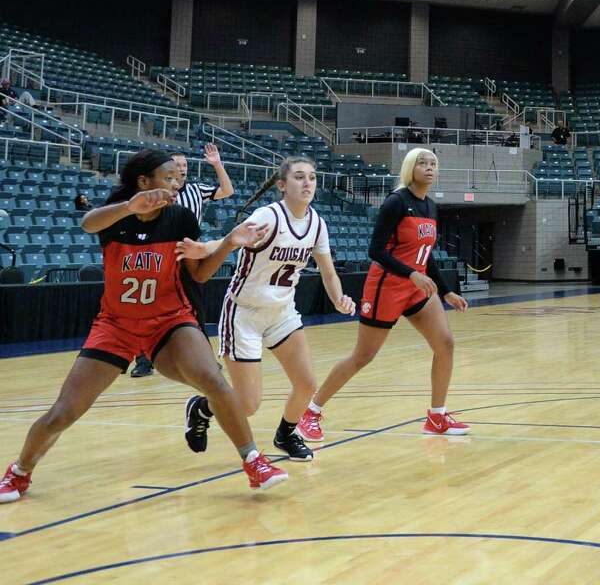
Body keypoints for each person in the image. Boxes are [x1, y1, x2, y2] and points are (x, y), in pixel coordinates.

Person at [0, 149, 286, 502]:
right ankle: (18, 473)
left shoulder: (180, 219)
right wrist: (128, 207)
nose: (177, 184)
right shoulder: (115, 217)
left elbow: (198, 274)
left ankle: (254, 461)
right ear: (143, 182)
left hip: (169, 319)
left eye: (179, 178)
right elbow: (87, 223)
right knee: (64, 412)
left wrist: (228, 244)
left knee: (213, 379)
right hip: (116, 325)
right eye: (169, 178)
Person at [182, 157, 356, 462]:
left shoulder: (316, 223)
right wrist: (205, 248)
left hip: (282, 312)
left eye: (312, 178)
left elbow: (328, 273)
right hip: (244, 313)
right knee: (248, 405)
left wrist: (340, 298)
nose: (307, 183)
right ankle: (201, 407)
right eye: (299, 177)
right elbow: (231, 240)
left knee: (306, 384)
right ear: (282, 185)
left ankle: (286, 434)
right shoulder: (269, 216)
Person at [296, 148, 470, 444]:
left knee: (446, 344)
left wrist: (447, 291)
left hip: (417, 287)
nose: (429, 168)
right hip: (387, 286)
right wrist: (411, 273)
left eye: (433, 164)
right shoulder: (396, 202)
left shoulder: (430, 207)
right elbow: (375, 250)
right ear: (410, 168)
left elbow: (425, 256)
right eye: (423, 163)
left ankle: (436, 416)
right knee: (363, 356)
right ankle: (310, 413)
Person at [130, 144, 235, 379]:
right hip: (158, 254)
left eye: (185, 165)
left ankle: (204, 359)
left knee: (195, 307)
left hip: (188, 254)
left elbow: (227, 190)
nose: (182, 168)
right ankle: (144, 360)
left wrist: (217, 164)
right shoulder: (157, 192)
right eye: (177, 165)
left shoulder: (197, 189)